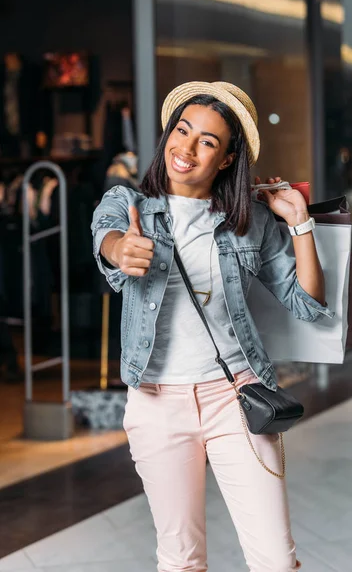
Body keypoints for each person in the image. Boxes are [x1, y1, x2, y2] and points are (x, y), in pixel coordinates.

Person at [91, 81, 333, 572]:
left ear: (226, 158)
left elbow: (308, 305)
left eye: (207, 141)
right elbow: (108, 239)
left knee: (275, 561)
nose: (187, 148)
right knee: (181, 560)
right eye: (183, 131)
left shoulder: (249, 221)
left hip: (237, 398)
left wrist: (300, 224)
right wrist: (121, 249)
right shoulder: (127, 202)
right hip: (158, 403)